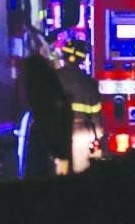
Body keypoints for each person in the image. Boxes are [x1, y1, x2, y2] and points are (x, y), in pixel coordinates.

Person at [54, 39, 103, 174]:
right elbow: (96, 115)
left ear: (64, 56)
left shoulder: (53, 78)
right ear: (82, 59)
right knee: (81, 173)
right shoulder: (89, 83)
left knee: (61, 172)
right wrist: (97, 137)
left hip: (59, 132)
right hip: (81, 132)